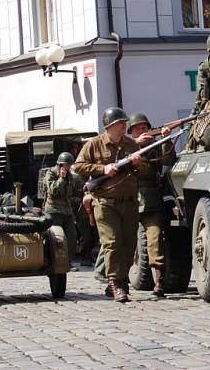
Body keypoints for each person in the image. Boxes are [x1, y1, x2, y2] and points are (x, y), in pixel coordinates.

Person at [73, 107, 145, 303]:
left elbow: (144, 170)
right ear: (110, 126)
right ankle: (116, 283)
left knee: (129, 245)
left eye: (125, 123)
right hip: (105, 202)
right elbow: (78, 166)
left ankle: (120, 278)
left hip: (129, 202)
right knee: (112, 244)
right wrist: (102, 168)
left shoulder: (130, 144)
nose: (125, 126)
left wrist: (138, 163)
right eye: (121, 123)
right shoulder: (94, 144)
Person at [128, 113, 176, 298]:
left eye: (144, 127)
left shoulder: (154, 149)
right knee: (121, 243)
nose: (143, 130)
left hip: (152, 200)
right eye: (138, 128)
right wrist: (136, 144)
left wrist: (166, 139)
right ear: (131, 131)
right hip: (129, 199)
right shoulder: (125, 147)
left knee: (155, 240)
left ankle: (159, 283)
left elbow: (168, 160)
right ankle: (112, 280)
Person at [42, 152, 78, 266]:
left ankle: (67, 262)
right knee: (55, 238)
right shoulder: (51, 173)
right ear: (61, 164)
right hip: (54, 210)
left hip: (67, 210)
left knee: (72, 238)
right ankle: (53, 262)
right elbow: (52, 190)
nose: (68, 167)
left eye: (69, 165)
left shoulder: (70, 176)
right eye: (66, 165)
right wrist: (61, 178)